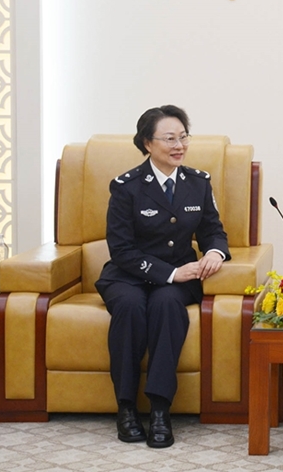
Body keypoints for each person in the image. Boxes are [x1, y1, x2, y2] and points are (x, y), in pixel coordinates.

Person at [96, 105, 231, 448]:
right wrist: (170, 273)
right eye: (169, 139)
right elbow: (121, 250)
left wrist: (215, 253)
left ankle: (159, 409)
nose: (179, 145)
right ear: (147, 143)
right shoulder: (126, 187)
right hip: (129, 276)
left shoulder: (197, 183)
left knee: (167, 306)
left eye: (183, 137)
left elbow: (213, 231)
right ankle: (126, 407)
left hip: (180, 279)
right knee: (129, 307)